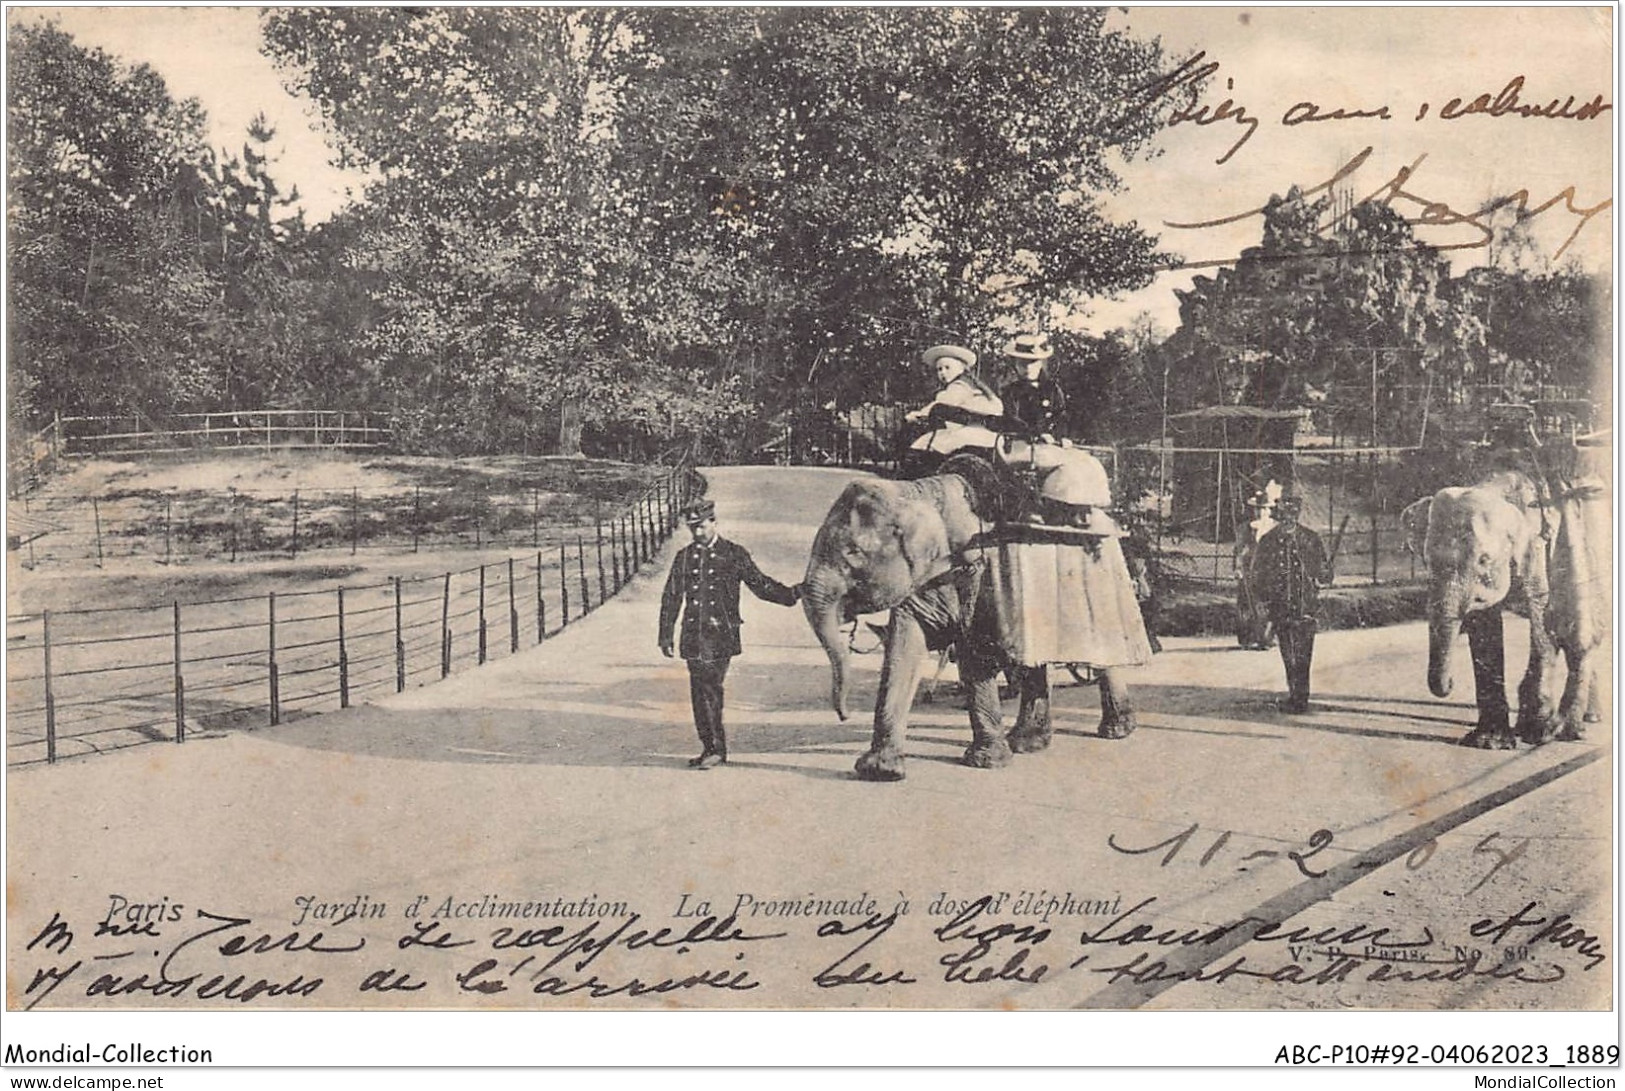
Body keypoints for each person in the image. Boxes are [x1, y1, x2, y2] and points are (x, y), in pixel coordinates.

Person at [658, 498, 802, 768]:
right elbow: (671, 597)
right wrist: (665, 634)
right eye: (692, 529)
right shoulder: (684, 557)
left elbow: (759, 584)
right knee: (700, 692)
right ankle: (711, 747)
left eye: (701, 526)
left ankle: (715, 749)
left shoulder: (734, 553)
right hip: (692, 634)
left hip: (720, 634)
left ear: (714, 522)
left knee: (709, 688)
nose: (697, 533)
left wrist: (792, 594)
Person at [1250, 495, 1328, 712]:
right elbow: (1258, 574)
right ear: (1280, 515)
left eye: (1292, 514)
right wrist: (1263, 601)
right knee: (1288, 652)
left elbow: (1323, 572)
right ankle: (1295, 693)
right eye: (1285, 514)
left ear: (1298, 514)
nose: (1288, 518)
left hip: (1306, 606)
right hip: (1280, 606)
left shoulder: (1311, 539)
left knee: (1303, 654)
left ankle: (1300, 697)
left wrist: (1325, 573)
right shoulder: (1268, 540)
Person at [902, 344, 1003, 477]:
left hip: (973, 430)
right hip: (985, 431)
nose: (943, 373)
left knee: (926, 443)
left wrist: (917, 415)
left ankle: (916, 474)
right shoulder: (972, 384)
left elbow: (942, 404)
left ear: (961, 368)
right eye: (939, 369)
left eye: (947, 367)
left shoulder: (959, 386)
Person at [998, 332, 1068, 440]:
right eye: (1022, 363)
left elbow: (1060, 416)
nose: (1028, 367)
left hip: (1051, 445)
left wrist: (1062, 436)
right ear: (1015, 365)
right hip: (1021, 445)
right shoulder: (1011, 392)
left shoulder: (1052, 389)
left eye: (1033, 362)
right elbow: (1011, 420)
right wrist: (1036, 433)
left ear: (1041, 363)